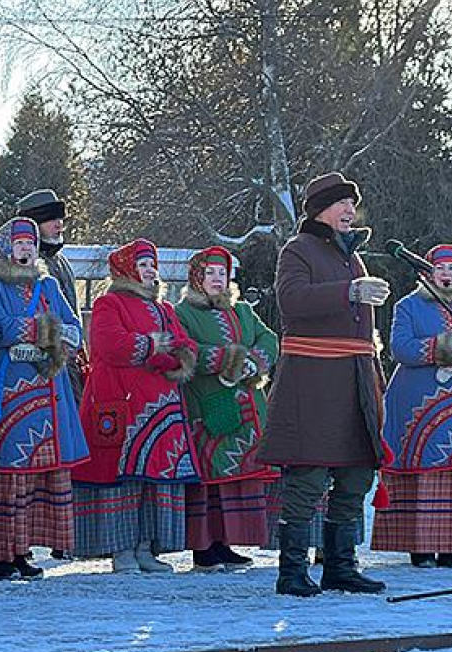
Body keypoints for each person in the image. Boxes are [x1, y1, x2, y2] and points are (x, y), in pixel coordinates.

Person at [260, 171, 390, 597]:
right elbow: (291, 301)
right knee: (308, 478)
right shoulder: (297, 250)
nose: (351, 211)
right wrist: (349, 291)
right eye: (342, 204)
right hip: (313, 383)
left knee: (355, 477)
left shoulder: (354, 255)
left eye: (353, 203)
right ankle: (292, 572)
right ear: (320, 210)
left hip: (354, 380)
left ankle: (341, 567)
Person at [370, 244, 452, 568]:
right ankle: (419, 547)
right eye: (440, 267)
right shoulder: (408, 306)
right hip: (417, 403)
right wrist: (440, 349)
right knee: (421, 476)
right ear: (427, 272)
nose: (446, 274)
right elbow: (400, 349)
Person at [73, 239, 198, 573]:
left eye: (152, 265)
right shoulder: (109, 304)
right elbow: (111, 344)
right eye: (143, 265)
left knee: (152, 476)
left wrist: (170, 354)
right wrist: (157, 348)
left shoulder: (165, 309)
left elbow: (184, 345)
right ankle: (121, 548)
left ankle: (146, 546)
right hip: (121, 400)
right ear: (126, 269)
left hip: (160, 404)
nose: (149, 271)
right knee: (121, 473)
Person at [0, 217, 88, 580]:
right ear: (5, 245)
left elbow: (74, 328)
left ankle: (22, 550)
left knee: (35, 475)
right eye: (19, 242)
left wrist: (47, 335)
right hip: (8, 390)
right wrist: (48, 331)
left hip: (46, 391)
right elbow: (1, 328)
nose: (26, 248)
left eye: (30, 242)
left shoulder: (48, 284)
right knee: (5, 471)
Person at [174, 246, 278, 572]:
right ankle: (203, 548)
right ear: (197, 278)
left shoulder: (244, 311)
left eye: (223, 273)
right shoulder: (182, 313)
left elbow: (270, 339)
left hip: (247, 409)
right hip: (206, 404)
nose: (218, 279)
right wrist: (227, 359)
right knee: (209, 476)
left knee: (234, 479)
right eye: (211, 273)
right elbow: (183, 349)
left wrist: (254, 361)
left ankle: (226, 543)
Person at [16, 188, 88, 561]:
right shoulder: (17, 266)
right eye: (50, 218)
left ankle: (61, 533)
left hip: (65, 368)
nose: (59, 224)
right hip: (29, 372)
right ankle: (23, 537)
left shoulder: (60, 264)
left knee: (63, 450)